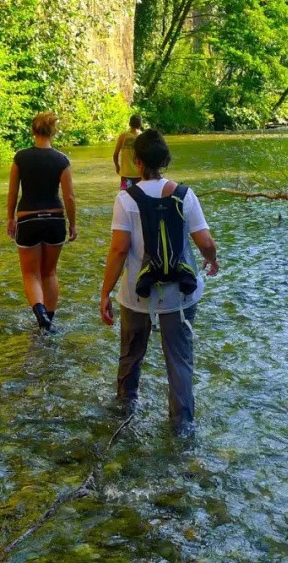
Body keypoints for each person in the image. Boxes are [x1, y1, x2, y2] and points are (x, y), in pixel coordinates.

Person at [99, 129, 219, 432]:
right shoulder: (184, 194)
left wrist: (105, 293)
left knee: (131, 354)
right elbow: (205, 241)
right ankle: (182, 428)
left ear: (137, 162)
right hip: (179, 294)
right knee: (179, 361)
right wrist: (212, 260)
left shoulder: (126, 199)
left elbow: (118, 250)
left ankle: (124, 414)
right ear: (164, 160)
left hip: (137, 293)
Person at [6, 112, 77, 333]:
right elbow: (69, 197)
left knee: (31, 274)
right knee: (50, 273)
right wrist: (72, 224)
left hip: (27, 220)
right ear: (52, 132)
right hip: (55, 220)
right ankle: (50, 322)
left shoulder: (20, 158)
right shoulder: (62, 160)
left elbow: (12, 191)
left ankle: (40, 315)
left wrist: (10, 217)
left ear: (33, 131)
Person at [113, 114, 144, 190]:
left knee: (125, 197)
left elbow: (115, 155)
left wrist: (117, 167)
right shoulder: (143, 136)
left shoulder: (123, 136)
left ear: (129, 124)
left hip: (126, 174)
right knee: (139, 199)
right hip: (140, 174)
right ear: (140, 125)